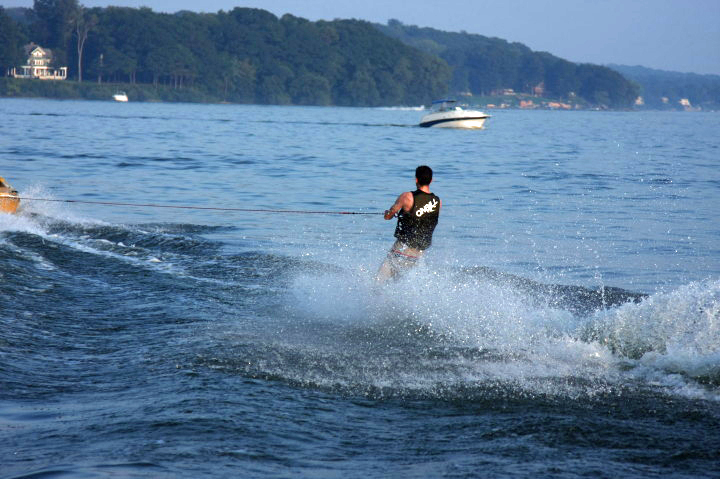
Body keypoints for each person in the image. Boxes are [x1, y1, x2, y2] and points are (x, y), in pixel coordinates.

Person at [376, 165, 441, 283]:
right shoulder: (437, 202)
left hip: (403, 246)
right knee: (395, 283)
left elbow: (388, 216)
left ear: (416, 179)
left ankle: (373, 300)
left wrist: (388, 213)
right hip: (419, 252)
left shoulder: (407, 197)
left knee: (379, 280)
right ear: (431, 180)